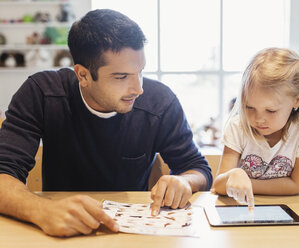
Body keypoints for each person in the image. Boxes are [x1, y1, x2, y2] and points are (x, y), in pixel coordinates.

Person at [0, 9, 212, 237]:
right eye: (121, 77)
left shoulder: (160, 101)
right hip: (60, 230)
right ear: (82, 75)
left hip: (131, 233)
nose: (138, 88)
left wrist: (185, 181)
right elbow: (4, 173)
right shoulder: (42, 93)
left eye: (140, 72)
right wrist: (41, 209)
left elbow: (198, 169)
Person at [211, 48, 299, 210]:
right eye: (249, 107)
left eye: (271, 111)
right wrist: (232, 175)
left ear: (297, 99)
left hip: (289, 211)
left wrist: (248, 183)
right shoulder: (238, 127)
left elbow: (295, 185)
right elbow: (219, 186)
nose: (258, 119)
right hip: (241, 213)